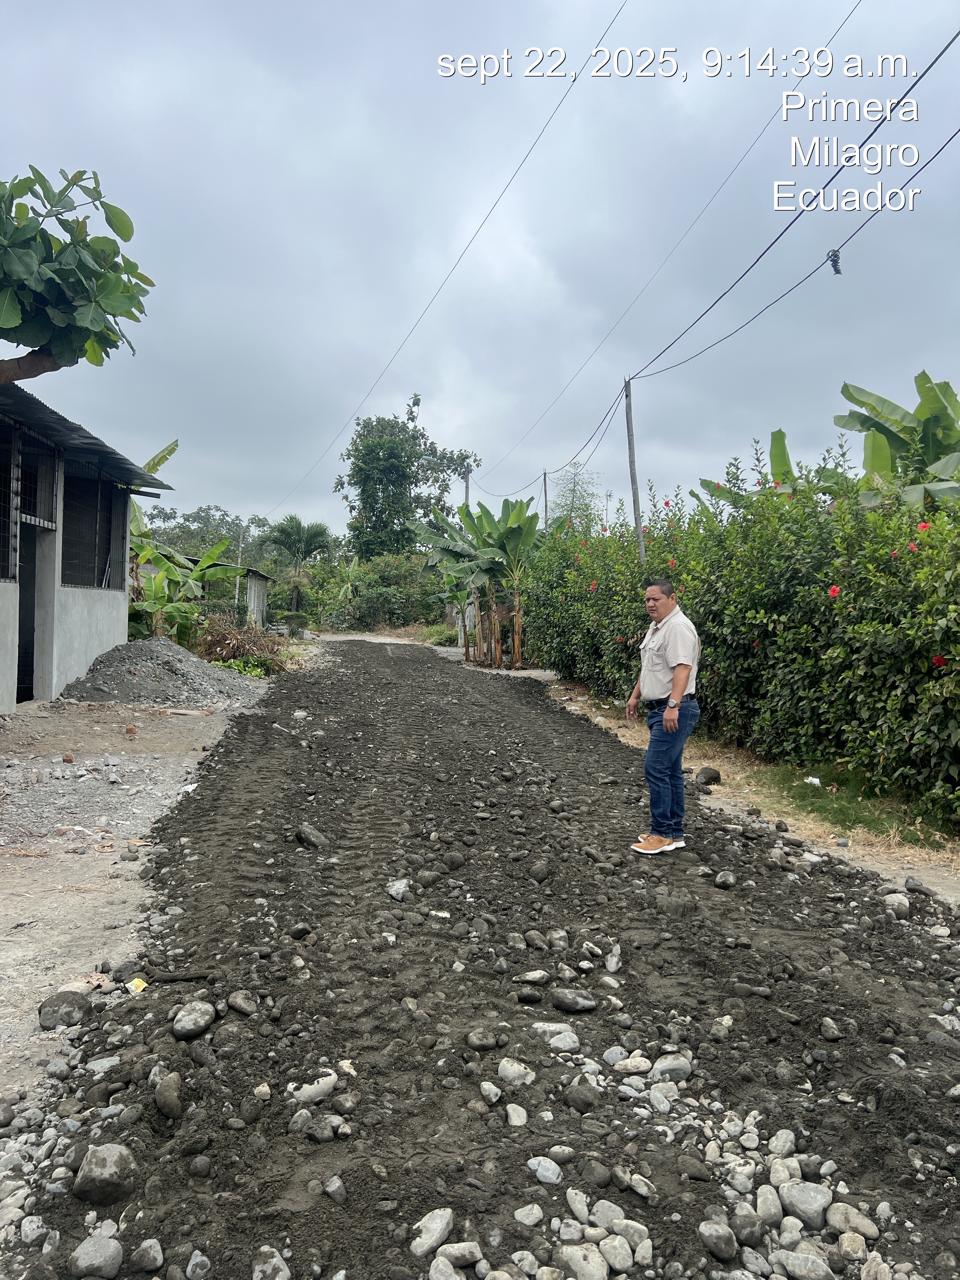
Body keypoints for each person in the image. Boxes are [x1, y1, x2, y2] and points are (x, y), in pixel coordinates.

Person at [626, 579, 701, 855]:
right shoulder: (658, 627)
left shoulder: (678, 627)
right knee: (669, 771)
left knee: (655, 768)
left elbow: (682, 668)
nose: (650, 604)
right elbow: (650, 668)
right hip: (661, 708)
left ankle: (660, 834)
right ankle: (674, 832)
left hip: (674, 710)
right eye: (647, 599)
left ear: (672, 598)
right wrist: (635, 695)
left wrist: (672, 705)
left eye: (655, 599)